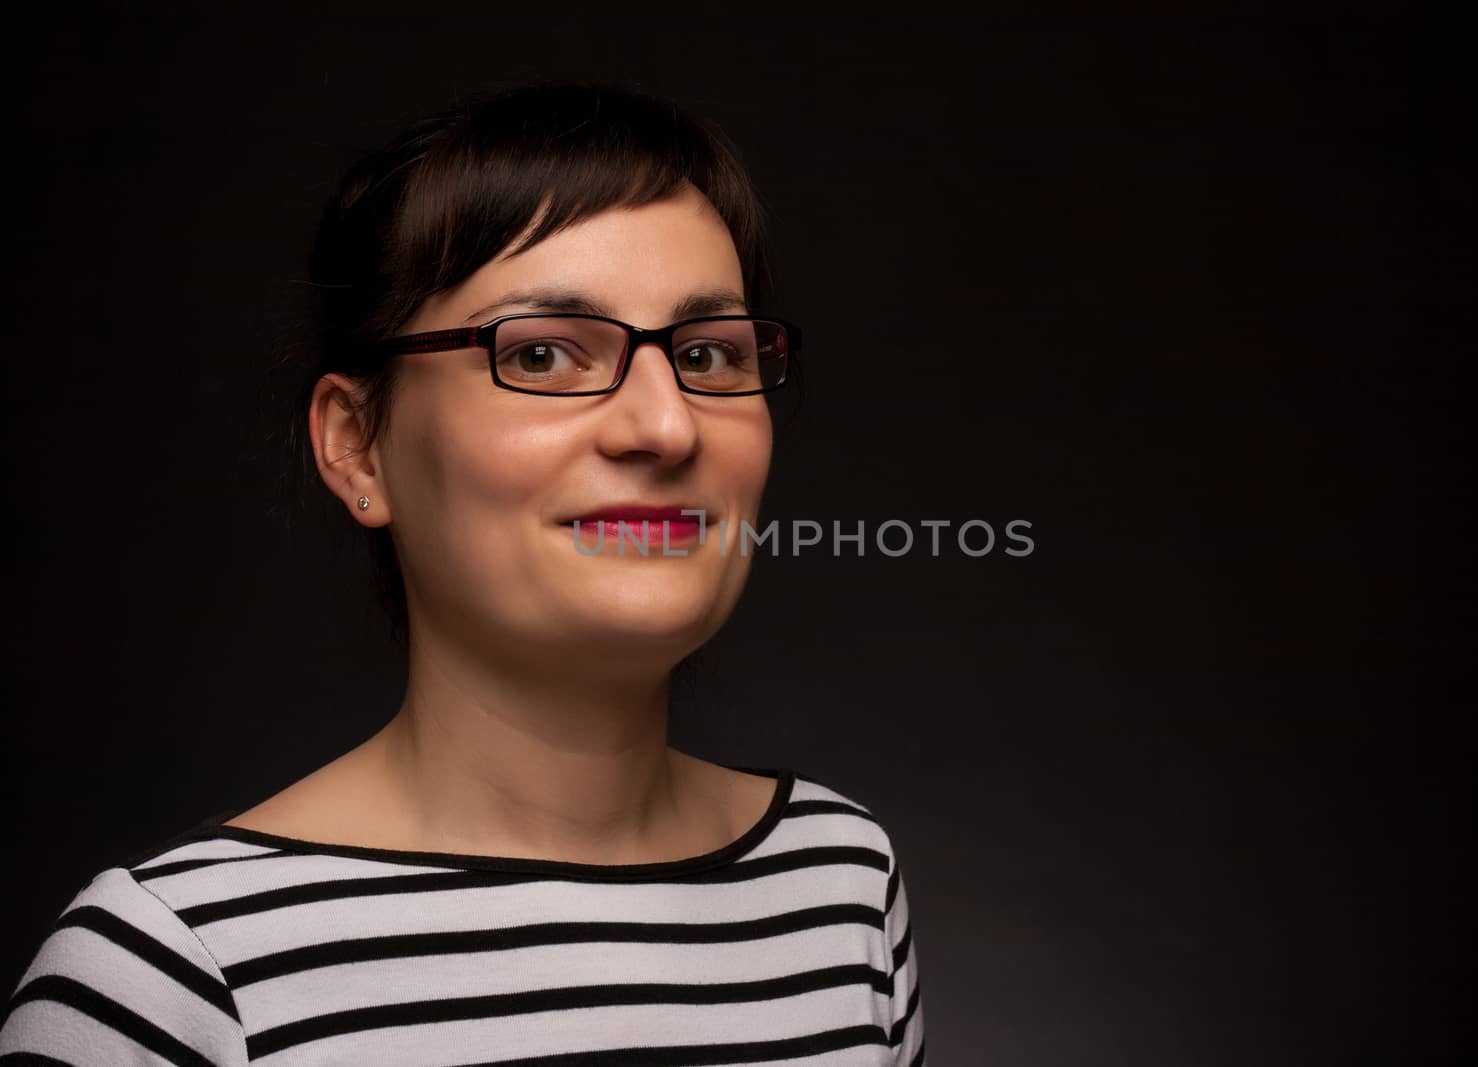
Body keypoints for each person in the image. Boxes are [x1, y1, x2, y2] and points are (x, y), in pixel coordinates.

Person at [0, 80, 926, 1064]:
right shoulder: (170, 969)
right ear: (358, 445)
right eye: (540, 353)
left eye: (704, 352)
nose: (666, 423)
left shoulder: (838, 877)